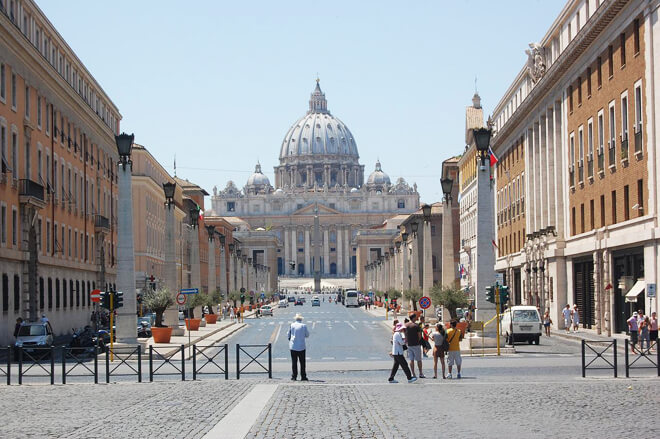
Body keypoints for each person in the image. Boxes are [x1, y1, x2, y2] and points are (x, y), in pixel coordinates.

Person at [287, 313, 310, 381]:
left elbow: (288, 334)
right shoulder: (304, 326)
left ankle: (294, 376)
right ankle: (303, 376)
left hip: (293, 346)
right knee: (302, 362)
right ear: (301, 319)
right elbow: (307, 335)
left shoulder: (292, 325)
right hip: (301, 346)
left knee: (294, 362)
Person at [405, 313, 425, 378]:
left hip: (409, 345)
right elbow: (419, 336)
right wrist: (418, 341)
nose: (417, 318)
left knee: (411, 360)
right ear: (413, 318)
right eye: (416, 317)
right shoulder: (416, 326)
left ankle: (413, 374)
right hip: (416, 344)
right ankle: (420, 373)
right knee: (419, 360)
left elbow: (404, 335)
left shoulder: (406, 325)